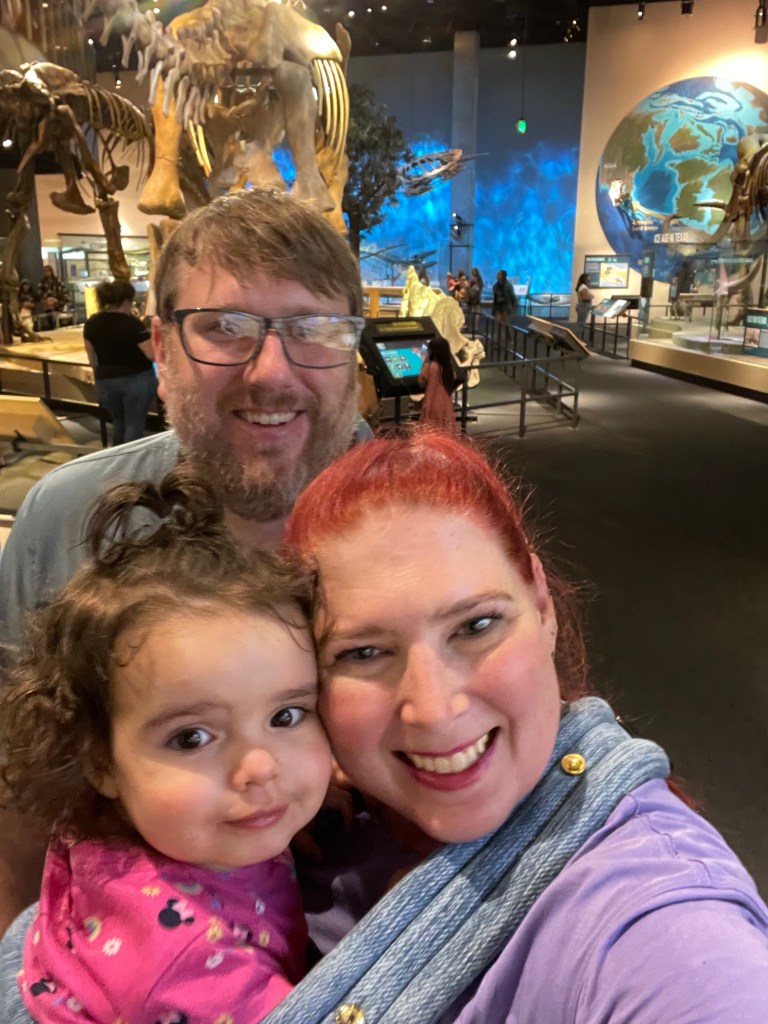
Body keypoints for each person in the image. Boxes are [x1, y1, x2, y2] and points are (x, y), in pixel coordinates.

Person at [273, 430, 767, 1022]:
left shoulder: (658, 914)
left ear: (542, 608)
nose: (434, 709)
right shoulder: (306, 817)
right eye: (364, 653)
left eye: (476, 626)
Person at [0, 185, 368, 937]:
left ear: (352, 352)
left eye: (313, 329)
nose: (271, 372)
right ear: (161, 351)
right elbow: (19, 796)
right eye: (224, 328)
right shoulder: (65, 523)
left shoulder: (423, 528)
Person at [0, 469, 332, 1023]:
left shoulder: (150, 823)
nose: (260, 766)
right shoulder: (191, 967)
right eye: (191, 738)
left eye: (286, 715)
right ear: (100, 761)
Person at [83, 278, 158, 446]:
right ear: (126, 301)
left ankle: (118, 455)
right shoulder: (133, 324)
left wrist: (98, 378)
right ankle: (131, 460)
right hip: (136, 379)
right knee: (134, 424)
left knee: (119, 422)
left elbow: (92, 358)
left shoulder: (91, 323)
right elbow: (151, 354)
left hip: (106, 381)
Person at [417, 337, 458, 431]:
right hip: (446, 404)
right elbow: (454, 377)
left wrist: (425, 363)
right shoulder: (449, 367)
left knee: (432, 430)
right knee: (445, 430)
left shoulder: (429, 366)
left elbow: (421, 382)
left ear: (432, 351)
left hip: (432, 403)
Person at [36, 266, 69, 331]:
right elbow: (40, 292)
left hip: (57, 301)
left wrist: (58, 299)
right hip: (47, 302)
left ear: (51, 271)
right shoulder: (42, 282)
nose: (46, 272)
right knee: (50, 317)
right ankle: (51, 327)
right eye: (45, 271)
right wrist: (46, 299)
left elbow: (63, 290)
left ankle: (60, 326)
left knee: (58, 316)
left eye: (48, 271)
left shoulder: (57, 280)